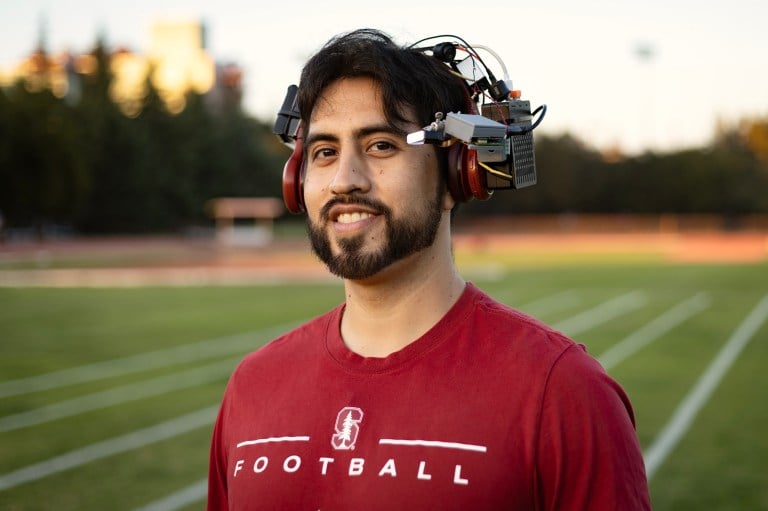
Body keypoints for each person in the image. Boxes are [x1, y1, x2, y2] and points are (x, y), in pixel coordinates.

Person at [207, 28, 651, 510]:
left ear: (457, 175)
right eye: (324, 152)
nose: (344, 180)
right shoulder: (251, 386)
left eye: (381, 146)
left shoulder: (562, 393)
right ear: (297, 181)